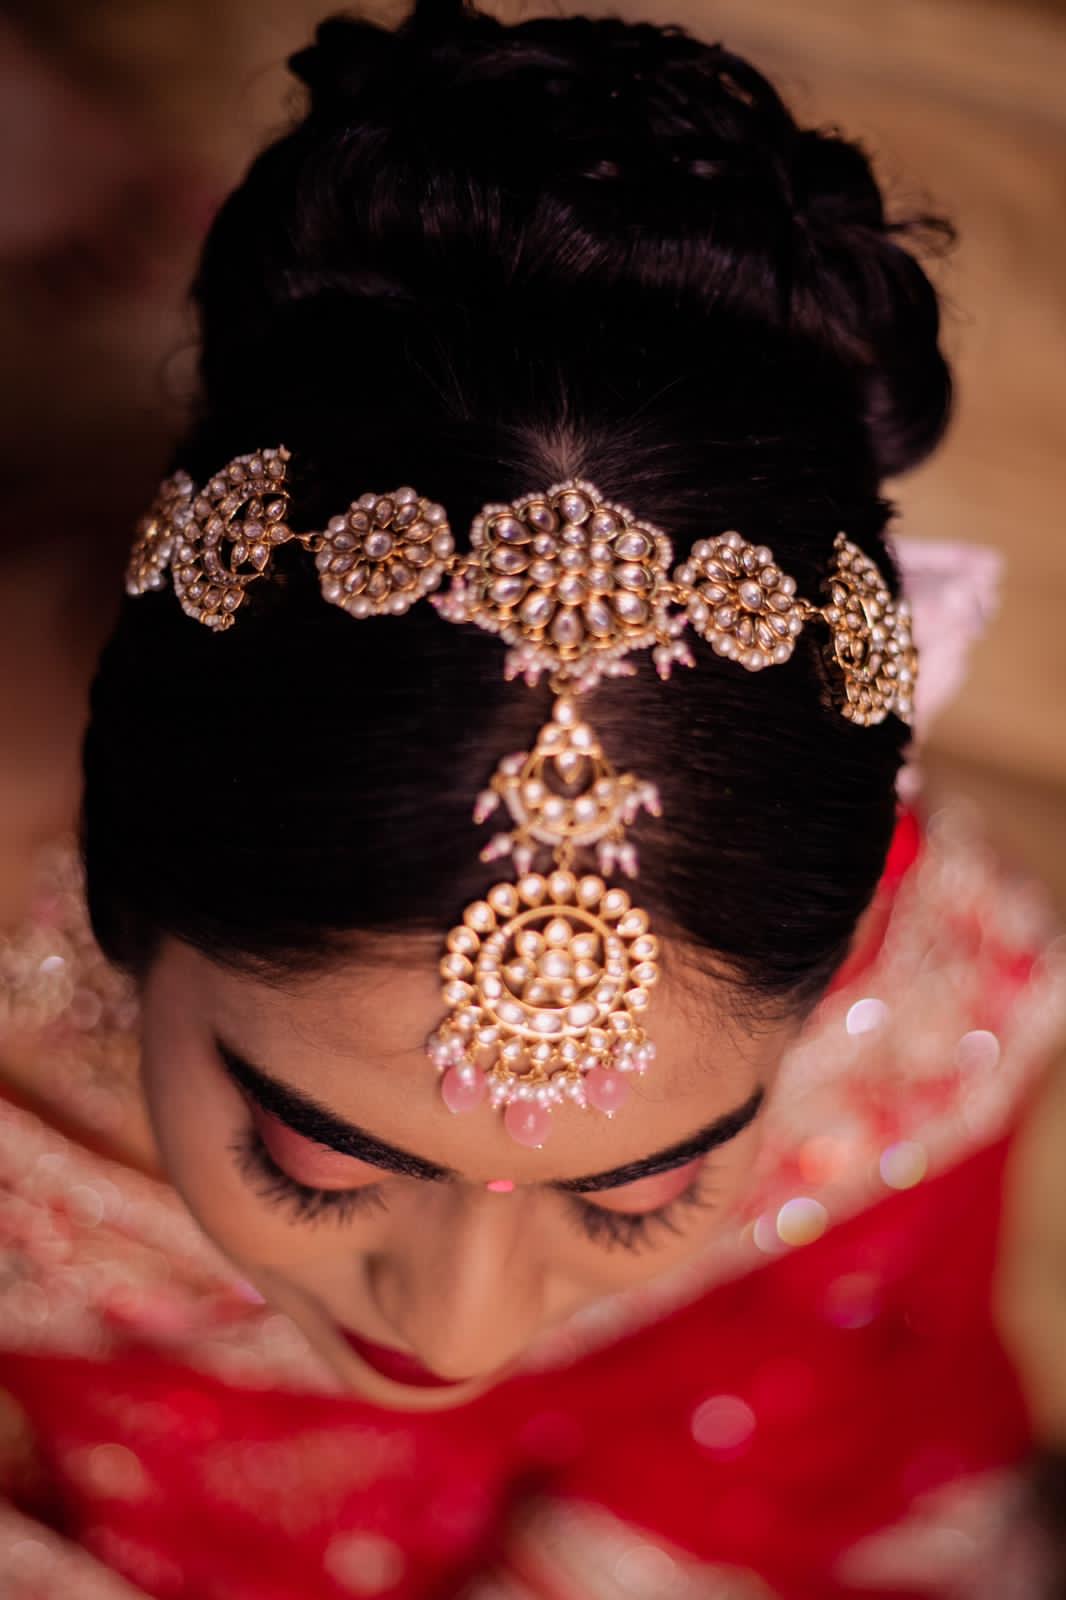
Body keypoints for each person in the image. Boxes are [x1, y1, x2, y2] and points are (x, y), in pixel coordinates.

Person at [1, 3, 1064, 1595]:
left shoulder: (892, 990)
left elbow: (844, 1339)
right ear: (120, 887)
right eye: (321, 1160)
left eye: (639, 1186)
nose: (459, 1326)